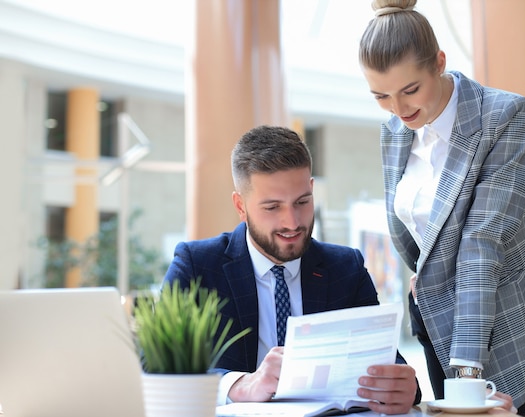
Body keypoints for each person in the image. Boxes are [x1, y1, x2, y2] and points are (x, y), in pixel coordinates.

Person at [358, 1, 525, 415]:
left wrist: (468, 372)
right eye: (380, 95)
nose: (398, 109)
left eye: (410, 90)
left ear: (439, 62)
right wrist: (423, 279)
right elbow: (411, 227)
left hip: (497, 318)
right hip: (432, 315)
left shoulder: (506, 116)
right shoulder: (395, 131)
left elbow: (482, 240)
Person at [161, 125, 420, 415]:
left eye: (302, 202)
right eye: (272, 207)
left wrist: (404, 386)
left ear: (311, 189)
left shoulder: (346, 268)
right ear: (240, 206)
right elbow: (155, 369)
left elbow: (387, 363)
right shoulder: (198, 266)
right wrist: (240, 385)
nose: (292, 222)